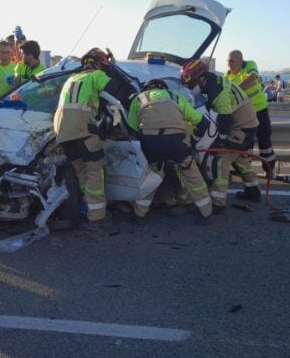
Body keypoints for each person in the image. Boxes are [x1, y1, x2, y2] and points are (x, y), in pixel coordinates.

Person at [126, 79, 212, 225]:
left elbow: (132, 130)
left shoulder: (139, 99)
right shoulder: (176, 97)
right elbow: (203, 123)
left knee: (149, 176)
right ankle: (205, 212)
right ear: (164, 88)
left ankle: (139, 214)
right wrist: (191, 142)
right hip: (175, 142)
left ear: (147, 88)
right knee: (191, 173)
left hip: (150, 142)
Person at [181, 60, 259, 212]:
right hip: (247, 124)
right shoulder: (213, 83)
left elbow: (225, 119)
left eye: (191, 84)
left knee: (221, 159)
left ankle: (218, 202)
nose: (190, 88)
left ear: (201, 77)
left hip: (241, 127)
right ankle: (253, 191)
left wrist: (221, 140)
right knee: (239, 157)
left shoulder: (217, 90)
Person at [53, 48, 120, 227]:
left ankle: (90, 206)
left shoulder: (71, 79)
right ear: (99, 64)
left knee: (80, 169)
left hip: (61, 129)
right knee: (94, 170)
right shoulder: (96, 75)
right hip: (82, 127)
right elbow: (113, 89)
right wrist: (112, 69)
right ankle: (97, 217)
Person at [225, 50, 277, 182]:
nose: (228, 64)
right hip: (243, 115)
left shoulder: (249, 65)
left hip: (260, 110)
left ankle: (269, 171)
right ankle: (247, 175)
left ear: (240, 61)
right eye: (227, 61)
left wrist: (235, 89)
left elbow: (252, 77)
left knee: (265, 144)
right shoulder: (227, 76)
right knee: (245, 145)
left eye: (231, 61)